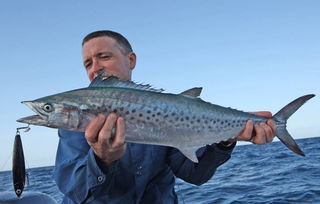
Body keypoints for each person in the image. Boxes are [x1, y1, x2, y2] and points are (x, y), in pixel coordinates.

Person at [53, 30, 276, 203]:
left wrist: (226, 139)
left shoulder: (167, 109)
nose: (96, 68)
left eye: (104, 56)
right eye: (88, 63)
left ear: (131, 60)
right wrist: (101, 159)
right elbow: (74, 189)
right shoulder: (74, 126)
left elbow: (195, 174)